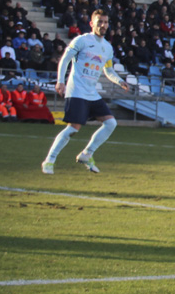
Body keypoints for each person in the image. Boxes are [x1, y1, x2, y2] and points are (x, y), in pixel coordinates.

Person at [41, 11, 131, 174]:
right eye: (99, 22)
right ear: (92, 23)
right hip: (76, 90)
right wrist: (60, 81)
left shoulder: (107, 48)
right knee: (74, 128)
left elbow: (108, 70)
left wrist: (120, 81)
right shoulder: (82, 40)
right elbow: (65, 59)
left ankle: (87, 153)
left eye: (105, 22)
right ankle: (49, 160)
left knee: (111, 123)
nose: (103, 25)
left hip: (91, 93)